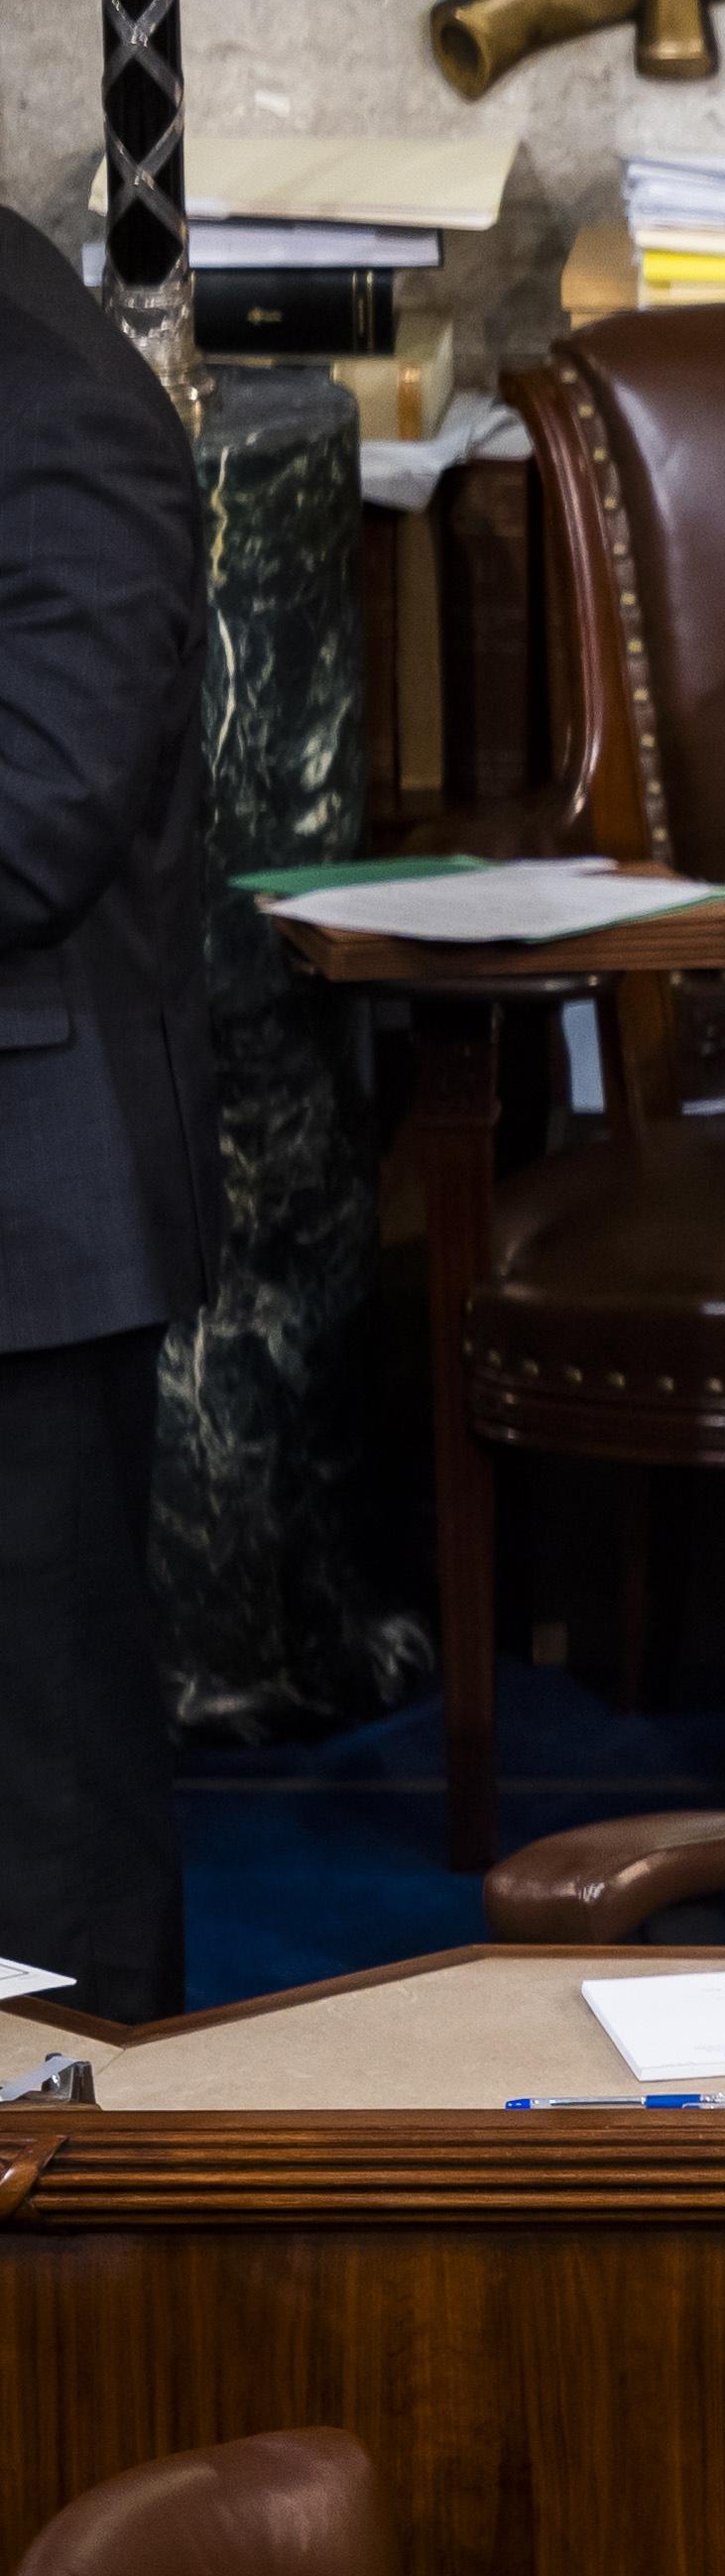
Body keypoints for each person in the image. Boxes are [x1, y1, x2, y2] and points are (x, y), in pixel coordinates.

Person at [0, 231, 205, 2029]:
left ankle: (93, 2244)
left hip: (28, 1228)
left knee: (44, 1818)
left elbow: (34, 815)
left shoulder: (62, 402)